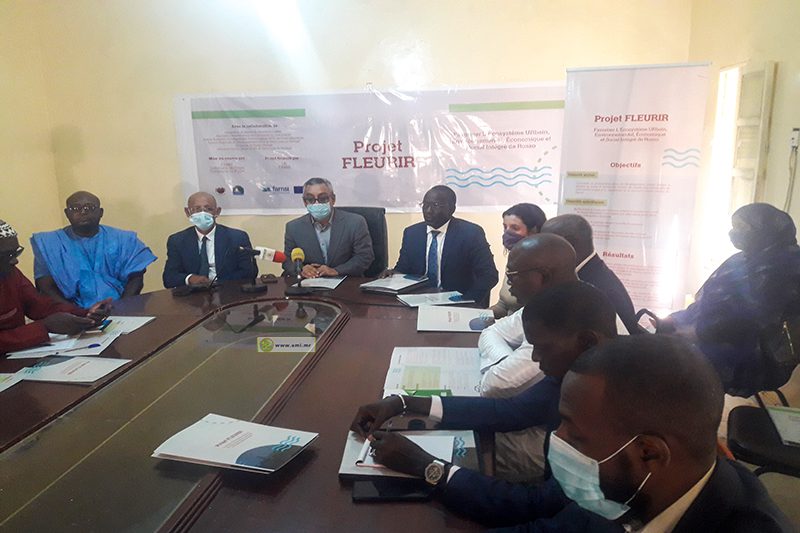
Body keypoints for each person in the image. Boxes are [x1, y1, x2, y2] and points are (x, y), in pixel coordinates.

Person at [361, 334, 793, 532]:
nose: (557, 441)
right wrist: (429, 468)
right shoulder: (618, 488)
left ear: (649, 453)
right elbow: (539, 520)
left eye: (574, 434)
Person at [352, 281, 617, 483]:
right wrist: (404, 402)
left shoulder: (609, 411)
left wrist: (427, 466)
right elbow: (510, 411)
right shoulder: (575, 373)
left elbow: (537, 506)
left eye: (543, 348)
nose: (535, 357)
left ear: (587, 342)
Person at [660, 203, 800, 396]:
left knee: (671, 364)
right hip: (717, 336)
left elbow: (753, 320)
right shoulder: (741, 259)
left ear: (764, 229)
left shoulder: (787, 267)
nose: (734, 233)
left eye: (742, 228)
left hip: (758, 354)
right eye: (734, 227)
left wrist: (698, 333)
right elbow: (707, 301)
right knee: (658, 345)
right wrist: (678, 319)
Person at [478, 234, 578, 397]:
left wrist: (501, 368)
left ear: (543, 276)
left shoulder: (567, 320)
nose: (508, 282)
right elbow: (491, 332)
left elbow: (492, 387)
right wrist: (505, 362)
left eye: (512, 275)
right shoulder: (547, 301)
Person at [0, 219, 109, 355]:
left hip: (16, 354)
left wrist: (84, 314)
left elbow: (40, 306)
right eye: (6, 255)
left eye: (16, 252)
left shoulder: (10, 273)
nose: (15, 261)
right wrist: (44, 327)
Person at [30, 191, 156, 307]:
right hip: (71, 313)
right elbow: (45, 287)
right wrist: (77, 313)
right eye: (75, 208)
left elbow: (136, 279)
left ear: (101, 212)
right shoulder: (49, 244)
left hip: (121, 307)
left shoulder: (124, 239)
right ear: (67, 213)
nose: (83, 212)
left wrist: (121, 308)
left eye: (89, 207)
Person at [383, 185, 498, 307]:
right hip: (418, 301)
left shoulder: (471, 234)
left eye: (435, 205)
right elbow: (403, 268)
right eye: (425, 205)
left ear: (451, 208)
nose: (428, 210)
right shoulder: (412, 233)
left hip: (457, 302)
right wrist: (393, 274)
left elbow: (489, 275)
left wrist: (467, 301)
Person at [541, 214, 639, 334]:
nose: (540, 252)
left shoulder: (594, 288)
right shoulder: (592, 274)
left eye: (546, 244)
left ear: (569, 243)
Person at [282, 177, 374, 278]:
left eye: (323, 198)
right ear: (305, 202)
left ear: (333, 199)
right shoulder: (294, 228)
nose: (316, 204)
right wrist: (301, 268)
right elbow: (287, 261)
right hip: (311, 283)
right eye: (310, 199)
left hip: (347, 281)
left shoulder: (355, 222)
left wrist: (335, 271)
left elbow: (364, 256)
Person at [163, 192, 257, 288]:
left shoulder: (237, 237)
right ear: (188, 212)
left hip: (227, 291)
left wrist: (215, 284)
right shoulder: (177, 241)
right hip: (193, 294)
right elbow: (169, 278)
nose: (202, 213)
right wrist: (190, 279)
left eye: (208, 209)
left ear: (217, 212)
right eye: (197, 209)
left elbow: (249, 272)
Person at [491, 203, 547, 319]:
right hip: (507, 326)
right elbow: (503, 306)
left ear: (533, 231)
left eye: (515, 228)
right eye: (505, 227)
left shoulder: (543, 266)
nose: (507, 233)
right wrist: (476, 315)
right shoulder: (514, 258)